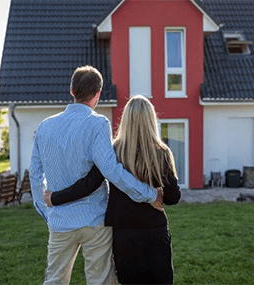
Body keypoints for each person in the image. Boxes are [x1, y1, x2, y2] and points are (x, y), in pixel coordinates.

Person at [30, 66, 162, 285]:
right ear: (98, 93)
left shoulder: (45, 127)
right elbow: (111, 170)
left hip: (60, 221)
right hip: (95, 221)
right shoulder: (98, 123)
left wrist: (47, 212)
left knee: (54, 281)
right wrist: (149, 194)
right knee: (100, 281)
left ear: (72, 90)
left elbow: (35, 176)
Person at [44, 95, 181, 284]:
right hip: (153, 232)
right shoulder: (162, 153)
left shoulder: (113, 151)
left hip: (123, 233)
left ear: (125, 120)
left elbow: (88, 184)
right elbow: (173, 197)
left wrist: (55, 197)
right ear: (151, 120)